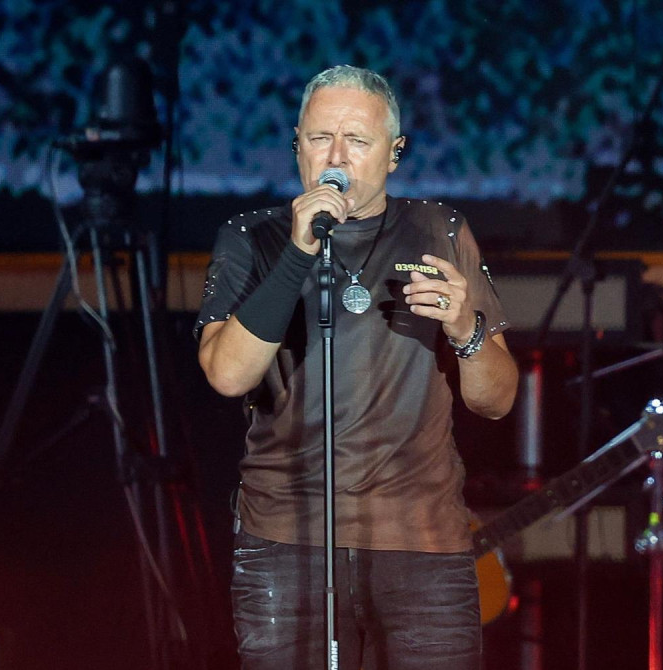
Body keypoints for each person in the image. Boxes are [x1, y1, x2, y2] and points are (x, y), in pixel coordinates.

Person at [195, 64, 518, 669]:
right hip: (286, 540)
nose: (336, 156)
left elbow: (496, 400)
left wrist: (465, 329)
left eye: (358, 140)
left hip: (422, 541)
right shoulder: (251, 237)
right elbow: (228, 374)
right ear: (297, 145)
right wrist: (298, 252)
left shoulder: (440, 230)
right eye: (320, 138)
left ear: (394, 153)